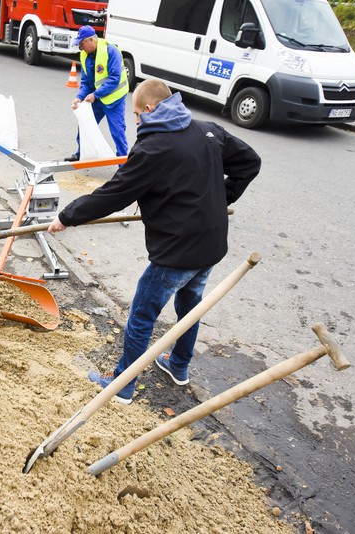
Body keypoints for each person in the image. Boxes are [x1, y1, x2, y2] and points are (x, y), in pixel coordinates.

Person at [48, 79, 261, 403]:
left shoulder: (152, 149)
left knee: (142, 316)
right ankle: (178, 365)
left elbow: (114, 194)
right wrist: (219, 200)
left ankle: (123, 385)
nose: (136, 122)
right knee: (190, 308)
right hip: (211, 245)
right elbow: (249, 163)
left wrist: (67, 216)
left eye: (136, 115)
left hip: (177, 252)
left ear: (150, 109)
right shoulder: (208, 130)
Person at [64, 25, 128, 162]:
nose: (80, 48)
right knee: (84, 123)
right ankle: (80, 153)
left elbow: (114, 78)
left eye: (82, 44)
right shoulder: (84, 55)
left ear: (90, 40)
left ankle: (123, 165)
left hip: (114, 99)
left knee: (118, 132)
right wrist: (79, 97)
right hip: (96, 98)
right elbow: (86, 81)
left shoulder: (111, 51)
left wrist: (95, 94)